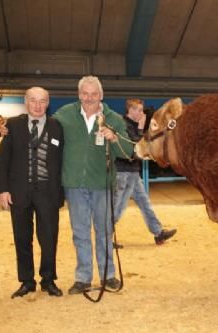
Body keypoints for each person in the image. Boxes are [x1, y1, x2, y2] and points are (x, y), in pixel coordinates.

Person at [53, 76, 134, 295]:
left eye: (94, 94)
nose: (89, 98)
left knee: (104, 231)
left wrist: (115, 138)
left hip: (102, 184)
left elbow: (128, 153)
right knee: (80, 232)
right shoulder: (64, 115)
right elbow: (46, 134)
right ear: (79, 94)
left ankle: (108, 275)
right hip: (74, 184)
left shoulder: (114, 119)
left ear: (101, 95)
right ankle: (83, 278)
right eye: (85, 94)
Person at [0, 87, 64, 298]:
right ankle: (26, 281)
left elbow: (62, 159)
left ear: (48, 102)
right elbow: (3, 160)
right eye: (33, 100)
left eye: (42, 101)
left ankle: (48, 279)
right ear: (26, 102)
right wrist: (2, 190)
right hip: (19, 192)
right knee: (22, 238)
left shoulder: (57, 127)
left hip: (48, 192)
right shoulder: (13, 126)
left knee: (49, 238)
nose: (37, 105)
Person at [113, 98, 176, 248]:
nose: (141, 113)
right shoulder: (123, 125)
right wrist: (141, 129)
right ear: (131, 110)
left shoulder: (134, 125)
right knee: (118, 207)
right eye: (139, 110)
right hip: (123, 172)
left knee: (144, 203)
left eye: (142, 110)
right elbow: (134, 146)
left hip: (133, 172)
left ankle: (158, 232)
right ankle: (105, 237)